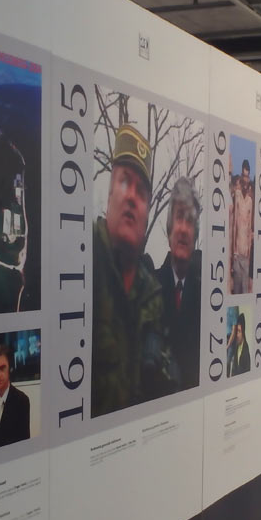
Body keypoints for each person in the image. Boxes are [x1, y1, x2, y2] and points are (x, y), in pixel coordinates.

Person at [91, 123, 177, 417]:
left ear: (148, 211)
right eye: (124, 182)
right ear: (110, 193)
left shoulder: (151, 292)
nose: (131, 197)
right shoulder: (85, 261)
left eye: (141, 192)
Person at [155, 177, 201, 390]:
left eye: (190, 221)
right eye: (179, 217)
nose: (183, 229)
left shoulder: (207, 296)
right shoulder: (148, 290)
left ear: (196, 234)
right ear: (169, 227)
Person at [230, 160, 253, 294]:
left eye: (247, 176)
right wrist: (234, 251)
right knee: (236, 291)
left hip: (246, 255)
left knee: (245, 292)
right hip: (237, 253)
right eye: (244, 176)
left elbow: (249, 227)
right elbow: (234, 225)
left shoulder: (250, 201)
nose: (245, 180)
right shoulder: (237, 196)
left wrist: (249, 255)